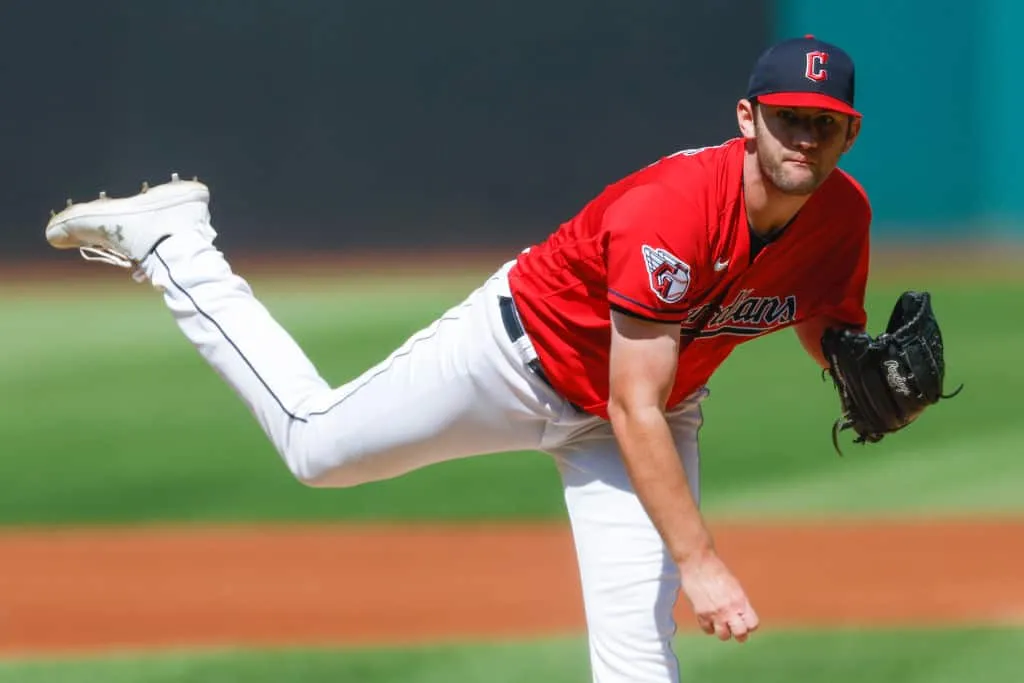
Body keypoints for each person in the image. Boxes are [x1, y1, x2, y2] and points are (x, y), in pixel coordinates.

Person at [44, 34, 869, 683]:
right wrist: (702, 561)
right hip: (515, 360)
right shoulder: (677, 210)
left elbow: (822, 312)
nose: (803, 136)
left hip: (638, 411)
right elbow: (631, 403)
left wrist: (847, 362)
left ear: (849, 133)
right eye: (787, 116)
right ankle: (177, 242)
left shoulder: (843, 217)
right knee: (314, 445)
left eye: (822, 122)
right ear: (745, 118)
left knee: (637, 653)